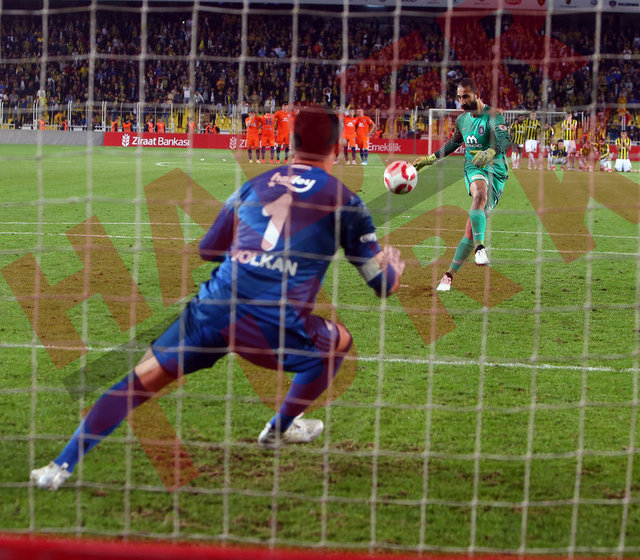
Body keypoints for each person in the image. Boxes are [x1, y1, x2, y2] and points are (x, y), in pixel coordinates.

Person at [30, 105, 405, 490]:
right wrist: (393, 268)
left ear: (291, 143)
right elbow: (381, 285)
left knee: (139, 380)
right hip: (272, 324)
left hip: (214, 309)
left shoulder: (253, 186)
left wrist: (249, 252)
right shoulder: (347, 202)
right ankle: (280, 427)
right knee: (340, 340)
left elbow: (208, 250)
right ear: (338, 148)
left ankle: (58, 468)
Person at [413, 78, 510, 292]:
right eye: (459, 97)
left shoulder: (493, 115)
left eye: (465, 96)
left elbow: (504, 138)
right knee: (479, 194)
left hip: (497, 173)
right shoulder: (462, 120)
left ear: (477, 95)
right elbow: (454, 142)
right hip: (473, 167)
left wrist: (492, 151)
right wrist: (430, 159)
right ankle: (480, 248)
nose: (462, 101)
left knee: (470, 230)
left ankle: (448, 276)